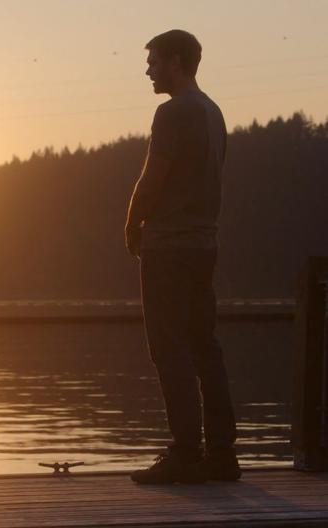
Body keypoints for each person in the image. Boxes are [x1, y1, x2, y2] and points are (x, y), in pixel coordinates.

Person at [125, 29, 240, 485]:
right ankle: (223, 455)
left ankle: (186, 454)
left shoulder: (172, 113)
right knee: (205, 348)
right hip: (204, 244)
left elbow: (154, 177)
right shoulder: (214, 113)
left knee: (168, 348)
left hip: (169, 246)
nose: (148, 69)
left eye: (153, 60)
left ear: (176, 60)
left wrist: (132, 223)